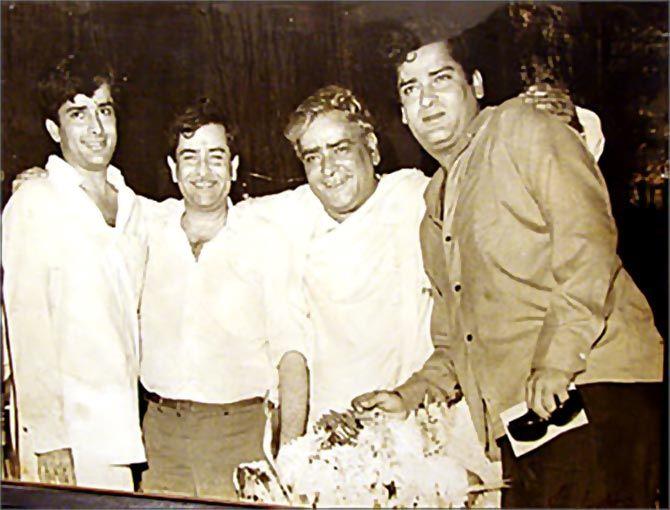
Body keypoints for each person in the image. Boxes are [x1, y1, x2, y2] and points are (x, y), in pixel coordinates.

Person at [352, 35, 664, 508]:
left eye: (441, 79)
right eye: (410, 89)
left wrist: (556, 361)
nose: (427, 99)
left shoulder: (522, 127)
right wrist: (411, 394)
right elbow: (456, 342)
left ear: (475, 83)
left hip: (593, 388)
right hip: (526, 420)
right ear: (402, 113)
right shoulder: (436, 207)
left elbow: (588, 244)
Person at [136, 99, 309, 500]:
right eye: (189, 157)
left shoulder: (265, 240)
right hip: (160, 437)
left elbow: (292, 354)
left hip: (241, 435)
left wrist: (293, 456)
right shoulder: (147, 230)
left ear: (233, 167)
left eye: (216, 157)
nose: (202, 172)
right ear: (172, 168)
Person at [237, 85, 435, 426]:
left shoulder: (414, 197)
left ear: (371, 148)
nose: (328, 169)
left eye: (340, 149)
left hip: (414, 419)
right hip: (329, 431)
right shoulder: (293, 212)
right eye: (313, 156)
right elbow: (218, 214)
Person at [2, 54, 147, 490]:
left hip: (118, 433)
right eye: (77, 113)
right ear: (54, 130)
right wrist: (48, 439)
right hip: (61, 438)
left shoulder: (135, 207)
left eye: (104, 110)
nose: (96, 129)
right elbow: (26, 328)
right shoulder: (34, 204)